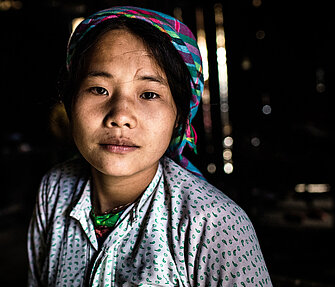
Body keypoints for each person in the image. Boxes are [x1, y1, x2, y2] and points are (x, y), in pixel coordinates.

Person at [27, 6, 272, 286]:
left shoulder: (214, 224)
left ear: (179, 116)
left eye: (149, 94)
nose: (120, 115)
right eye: (99, 89)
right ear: (70, 103)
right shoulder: (54, 191)